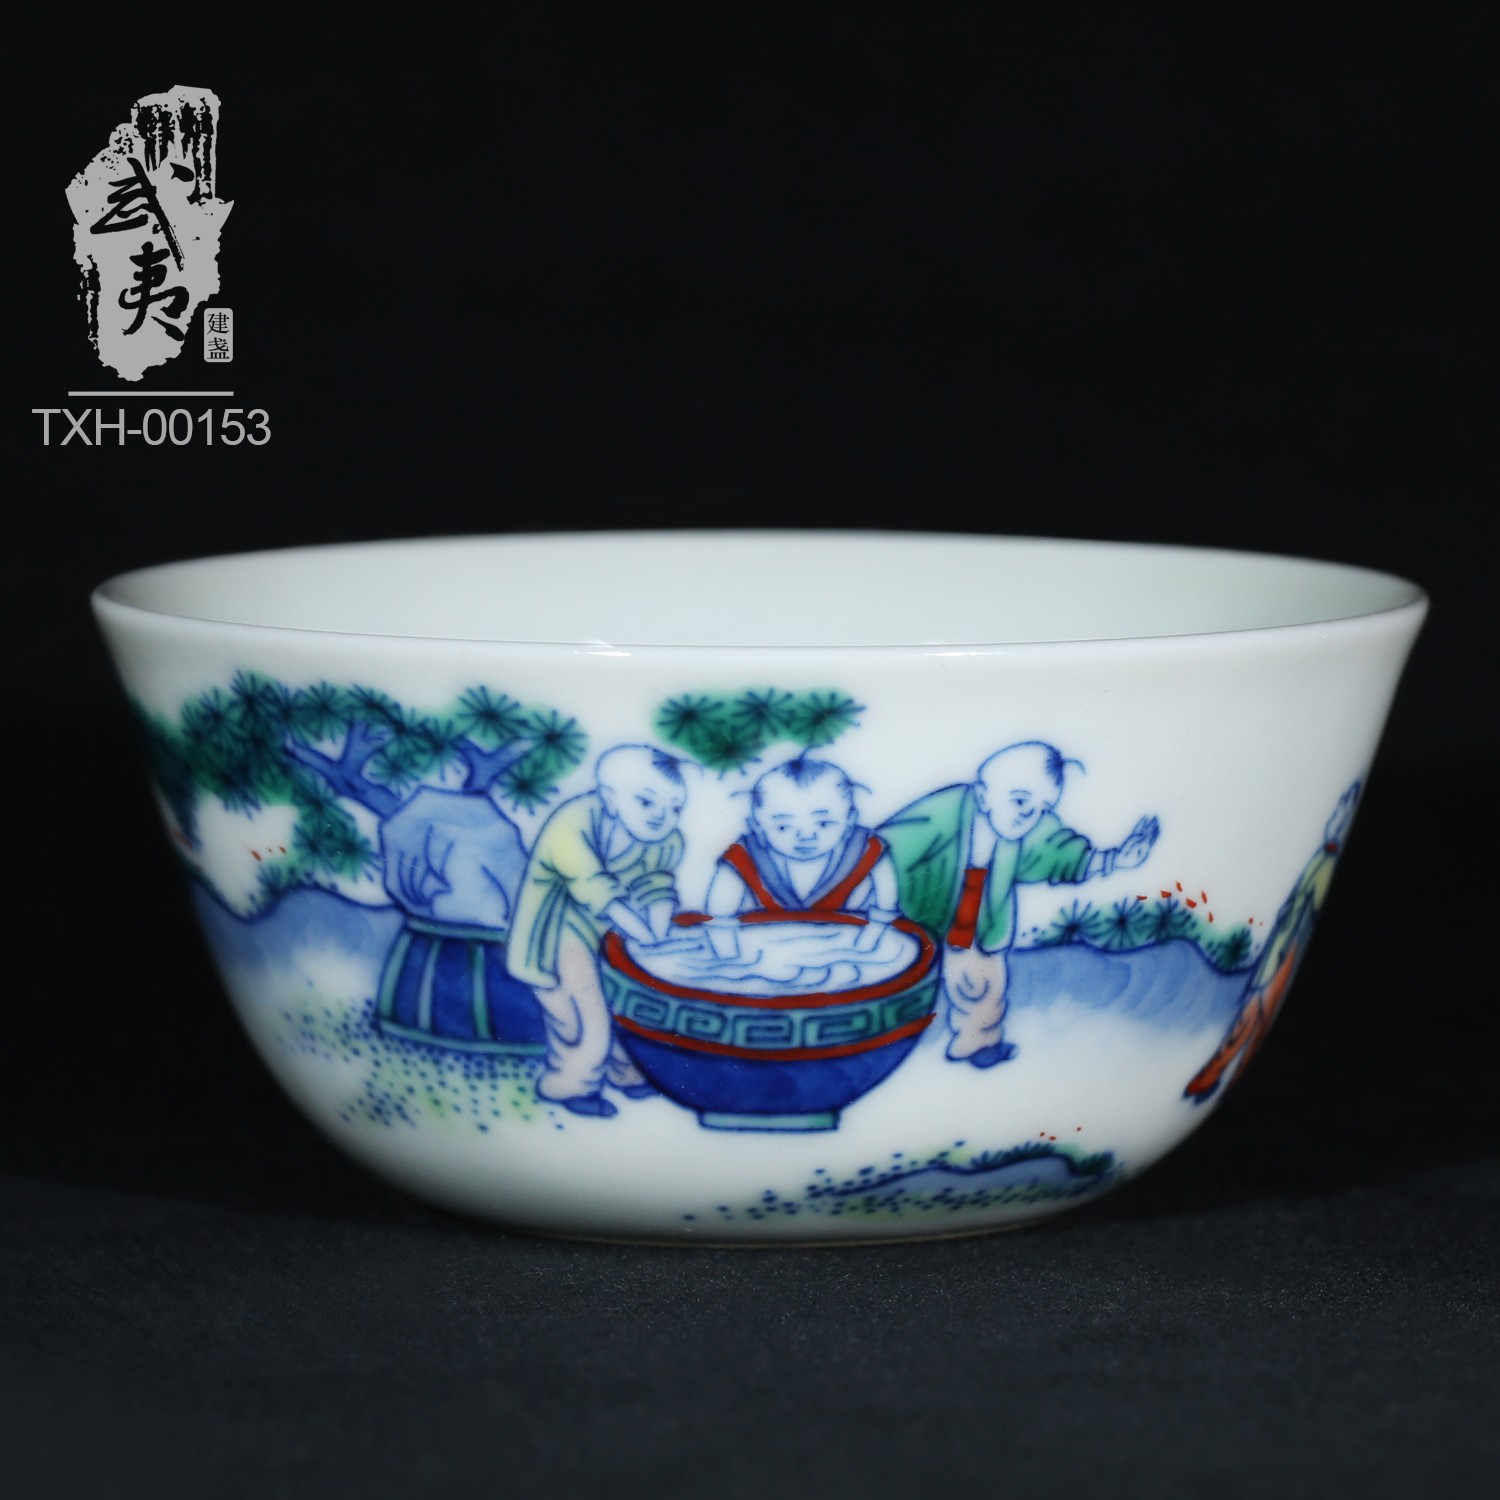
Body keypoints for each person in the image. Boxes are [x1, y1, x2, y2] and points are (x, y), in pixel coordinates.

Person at [881, 742, 1160, 1067]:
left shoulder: (1030, 831)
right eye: (1020, 801)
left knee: (984, 981)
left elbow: (1060, 850)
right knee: (901, 972)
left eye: (1043, 808)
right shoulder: (943, 813)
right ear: (983, 795)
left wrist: (1114, 860)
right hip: (922, 910)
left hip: (982, 923)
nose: (1029, 815)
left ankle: (977, 1043)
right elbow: (890, 844)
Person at [507, 746, 687, 1117]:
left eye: (674, 807)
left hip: (611, 932)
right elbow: (593, 887)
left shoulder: (666, 840)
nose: (661, 816)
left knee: (620, 1003)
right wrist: (644, 936)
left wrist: (657, 936)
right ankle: (570, 1086)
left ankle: (628, 1074)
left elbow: (657, 887)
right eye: (646, 802)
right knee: (581, 1014)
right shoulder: (573, 823)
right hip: (559, 927)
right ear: (609, 797)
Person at [1184, 783, 1358, 1103]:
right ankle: (1215, 1070)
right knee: (1253, 1010)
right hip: (1279, 946)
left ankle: (1217, 1071)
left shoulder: (1321, 861)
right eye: (1338, 814)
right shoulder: (1319, 861)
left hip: (1285, 947)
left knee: (1258, 1010)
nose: (1336, 821)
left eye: (1341, 814)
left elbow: (1302, 907)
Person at [706, 757, 901, 947]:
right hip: (762, 948)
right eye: (783, 826)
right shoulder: (743, 856)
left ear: (851, 819)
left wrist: (863, 949)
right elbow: (719, 919)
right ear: (756, 826)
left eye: (824, 823)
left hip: (844, 946)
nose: (806, 837)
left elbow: (885, 911)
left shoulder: (866, 850)